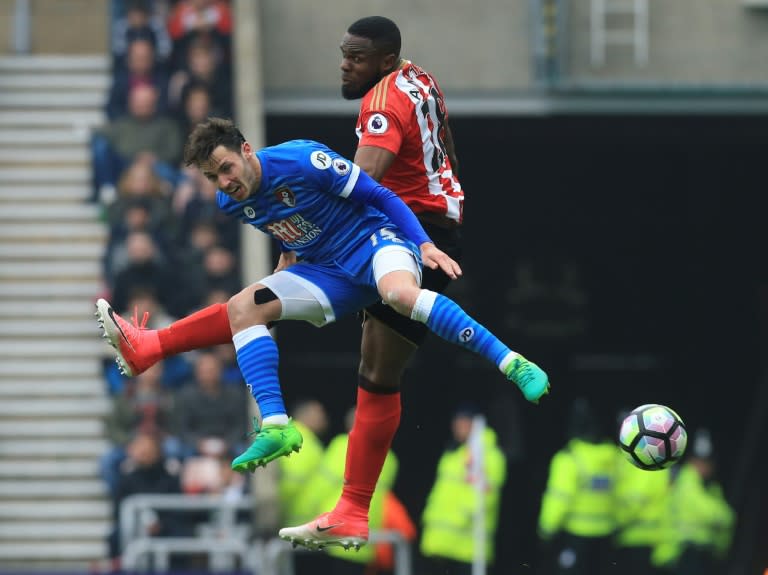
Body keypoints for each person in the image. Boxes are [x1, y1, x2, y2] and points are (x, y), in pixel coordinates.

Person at [95, 117, 550, 547]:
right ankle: (275, 424)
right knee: (244, 307)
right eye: (213, 177)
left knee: (400, 295)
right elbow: (283, 220)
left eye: (226, 168)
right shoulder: (230, 201)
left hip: (376, 244)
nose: (224, 182)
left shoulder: (302, 160)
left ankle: (511, 361)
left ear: (247, 150)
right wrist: (288, 253)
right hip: (327, 273)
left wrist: (424, 243)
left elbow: (381, 197)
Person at [282, 15, 521, 550]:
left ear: (385, 61)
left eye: (357, 57)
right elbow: (447, 153)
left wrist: (295, 241)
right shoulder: (418, 77)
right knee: (377, 364)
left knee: (371, 364)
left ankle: (352, 509)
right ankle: (352, 507)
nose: (346, 64)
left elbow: (355, 185)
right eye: (344, 53)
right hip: (435, 220)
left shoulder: (383, 104)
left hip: (407, 232)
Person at [419, 406, 507, 575]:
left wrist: (462, 519)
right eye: (456, 422)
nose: (457, 427)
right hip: (441, 544)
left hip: (468, 547)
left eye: (463, 422)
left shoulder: (489, 456)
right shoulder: (453, 454)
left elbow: (485, 496)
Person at [536, 398, 619, 575]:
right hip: (607, 537)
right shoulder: (614, 457)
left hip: (576, 537)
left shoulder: (569, 458)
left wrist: (546, 530)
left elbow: (558, 498)